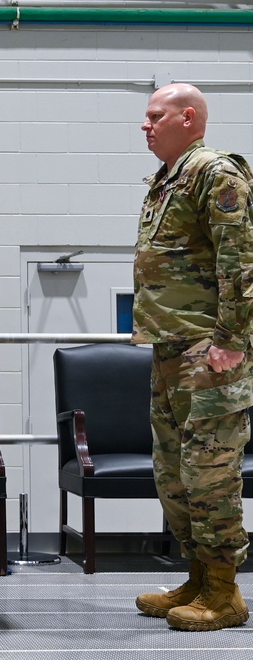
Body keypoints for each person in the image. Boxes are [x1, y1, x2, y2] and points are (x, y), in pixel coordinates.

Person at [132, 83, 252, 631]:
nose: (145, 125)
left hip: (210, 350)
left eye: (156, 116)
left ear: (188, 117)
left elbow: (241, 258)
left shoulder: (217, 173)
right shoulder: (167, 180)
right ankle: (199, 577)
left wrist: (231, 338)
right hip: (170, 349)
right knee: (174, 474)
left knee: (210, 474)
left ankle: (225, 592)